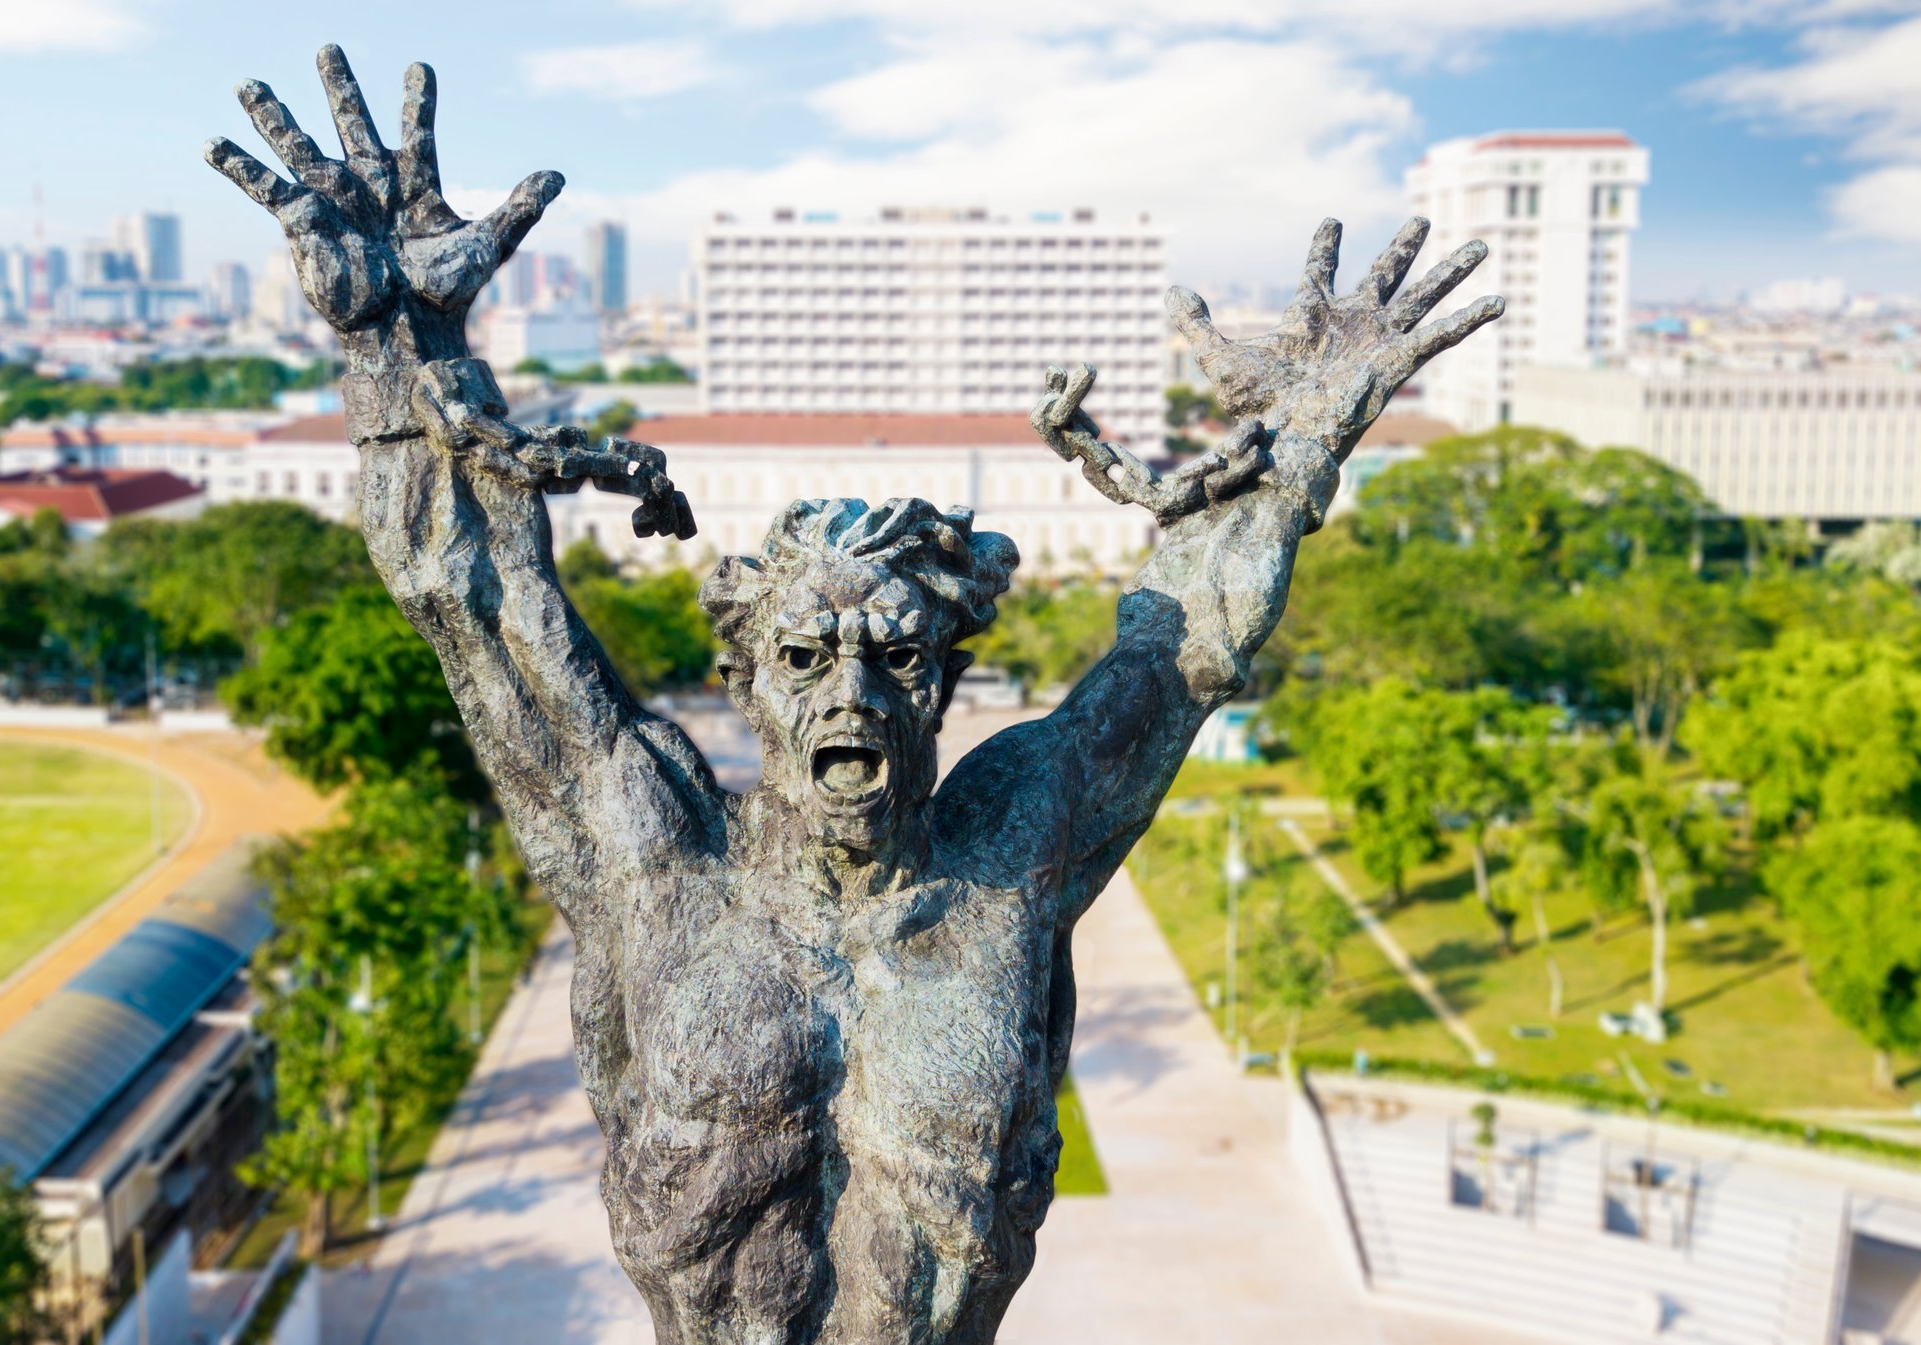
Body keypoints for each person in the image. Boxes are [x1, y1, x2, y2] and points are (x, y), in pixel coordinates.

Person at [207, 46, 1500, 1345]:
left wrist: (1287, 462)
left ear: (946, 680)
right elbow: (474, 602)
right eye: (808, 658)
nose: (855, 695)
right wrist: (393, 354)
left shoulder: (1015, 847)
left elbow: (1186, 653)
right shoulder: (652, 864)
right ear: (744, 680)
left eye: (897, 656)